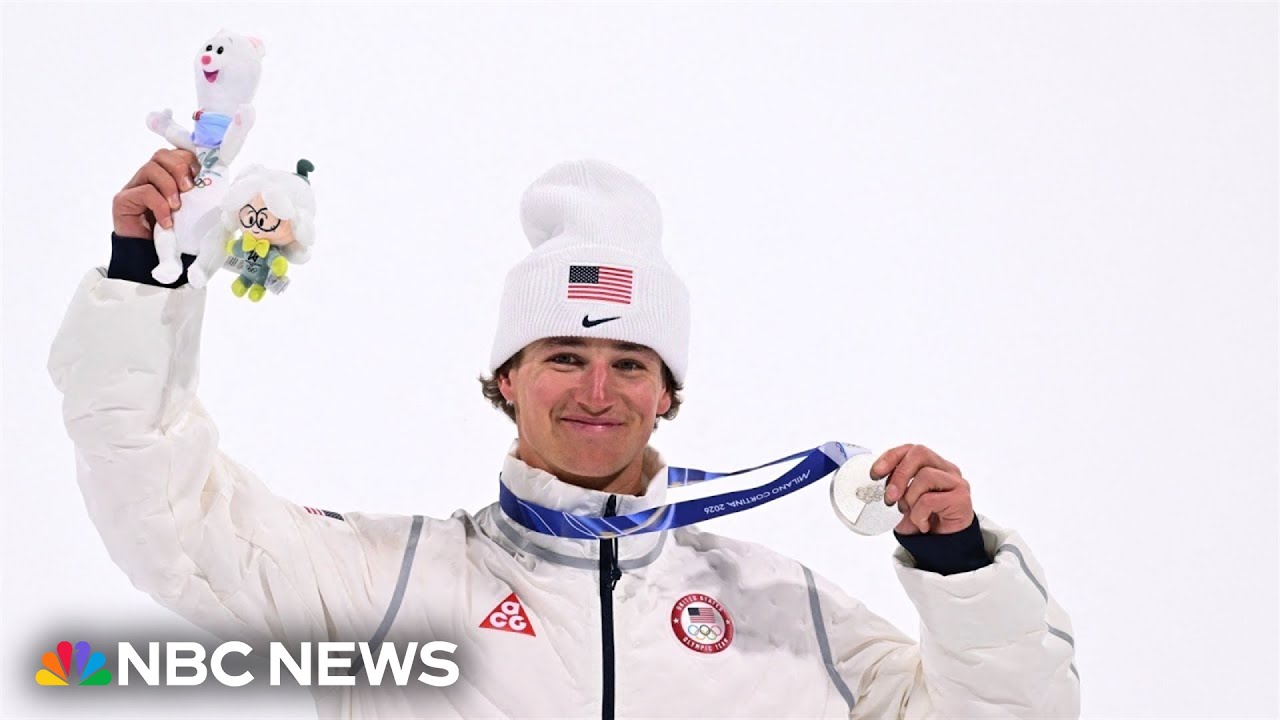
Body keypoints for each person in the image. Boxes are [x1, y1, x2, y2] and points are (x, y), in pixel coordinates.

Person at [48, 149, 1081, 719]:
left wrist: (955, 567)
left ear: (667, 392)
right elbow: (167, 514)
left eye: (630, 363)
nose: (596, 389)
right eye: (560, 358)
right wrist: (146, 284)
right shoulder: (387, 584)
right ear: (505, 379)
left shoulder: (777, 608)